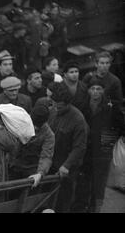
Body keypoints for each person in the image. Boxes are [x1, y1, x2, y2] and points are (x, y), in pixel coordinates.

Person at [73, 78, 125, 213]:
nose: (95, 92)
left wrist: (109, 140)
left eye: (99, 89)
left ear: (103, 91)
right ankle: (80, 208)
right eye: (93, 89)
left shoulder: (111, 108)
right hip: (84, 152)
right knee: (82, 184)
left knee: (99, 185)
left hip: (102, 154)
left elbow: (121, 126)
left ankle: (95, 209)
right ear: (88, 91)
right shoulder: (81, 106)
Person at [47, 82, 88, 213]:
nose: (54, 107)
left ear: (67, 103)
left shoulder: (78, 120)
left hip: (66, 170)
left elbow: (79, 147)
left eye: (58, 106)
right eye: (53, 103)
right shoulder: (53, 112)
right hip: (51, 165)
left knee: (62, 202)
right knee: (47, 202)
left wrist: (66, 166)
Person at [10, 104, 55, 187]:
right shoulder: (21, 122)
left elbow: (46, 156)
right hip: (13, 166)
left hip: (30, 172)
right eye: (33, 123)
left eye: (38, 125)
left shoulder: (49, 135)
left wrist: (40, 173)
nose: (34, 128)